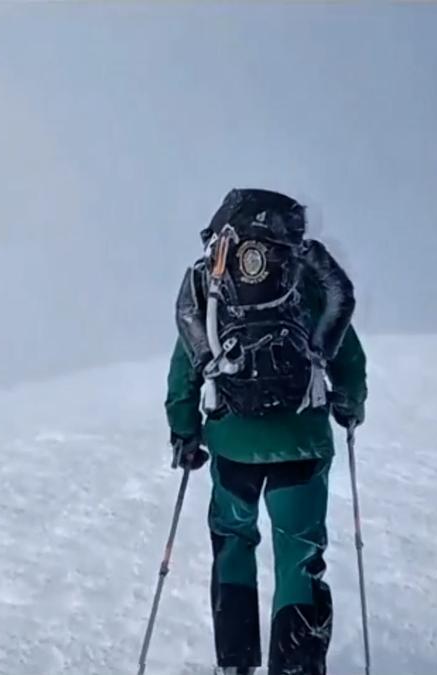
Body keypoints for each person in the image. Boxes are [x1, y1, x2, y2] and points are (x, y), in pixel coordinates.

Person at [165, 189, 368, 675]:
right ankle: (296, 665)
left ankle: (234, 663)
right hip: (300, 443)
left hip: (232, 445)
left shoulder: (214, 286)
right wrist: (349, 405)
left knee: (234, 542)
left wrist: (185, 430)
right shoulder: (305, 277)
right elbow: (347, 353)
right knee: (298, 551)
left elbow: (185, 366)